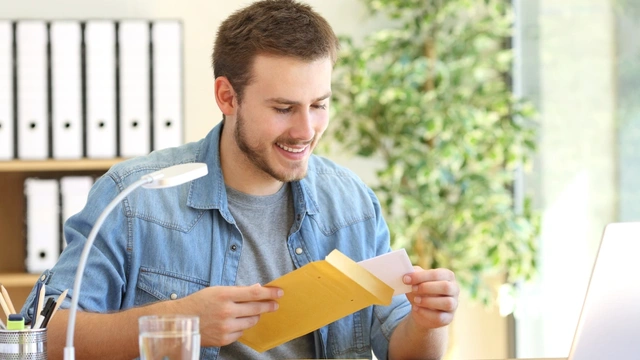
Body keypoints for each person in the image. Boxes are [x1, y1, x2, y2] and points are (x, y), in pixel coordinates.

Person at [21, 0, 459, 359]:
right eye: (284, 108)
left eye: (319, 105)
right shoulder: (135, 198)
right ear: (227, 97)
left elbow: (403, 350)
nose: (306, 131)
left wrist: (428, 322)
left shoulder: (352, 203)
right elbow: (40, 338)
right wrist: (182, 322)